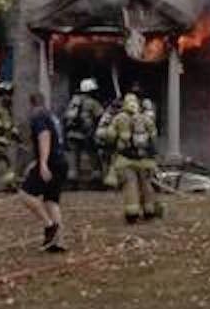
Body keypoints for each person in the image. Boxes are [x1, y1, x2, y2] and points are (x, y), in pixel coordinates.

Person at [17, 90, 69, 252]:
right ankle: (57, 241)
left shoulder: (38, 116)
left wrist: (43, 163)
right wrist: (37, 162)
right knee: (51, 201)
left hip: (51, 162)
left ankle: (49, 225)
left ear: (31, 103)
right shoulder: (51, 116)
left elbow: (44, 137)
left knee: (25, 194)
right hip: (61, 161)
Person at [108, 92, 162, 222]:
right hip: (145, 160)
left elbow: (110, 135)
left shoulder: (119, 118)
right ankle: (149, 211)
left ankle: (132, 214)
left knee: (131, 186)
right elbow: (154, 136)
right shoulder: (145, 118)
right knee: (147, 186)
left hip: (126, 160)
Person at [63, 78, 105, 185]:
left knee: (73, 158)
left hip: (72, 133)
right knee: (93, 157)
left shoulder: (73, 101)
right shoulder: (92, 103)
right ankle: (96, 178)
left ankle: (72, 178)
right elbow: (101, 116)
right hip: (86, 134)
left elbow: (65, 116)